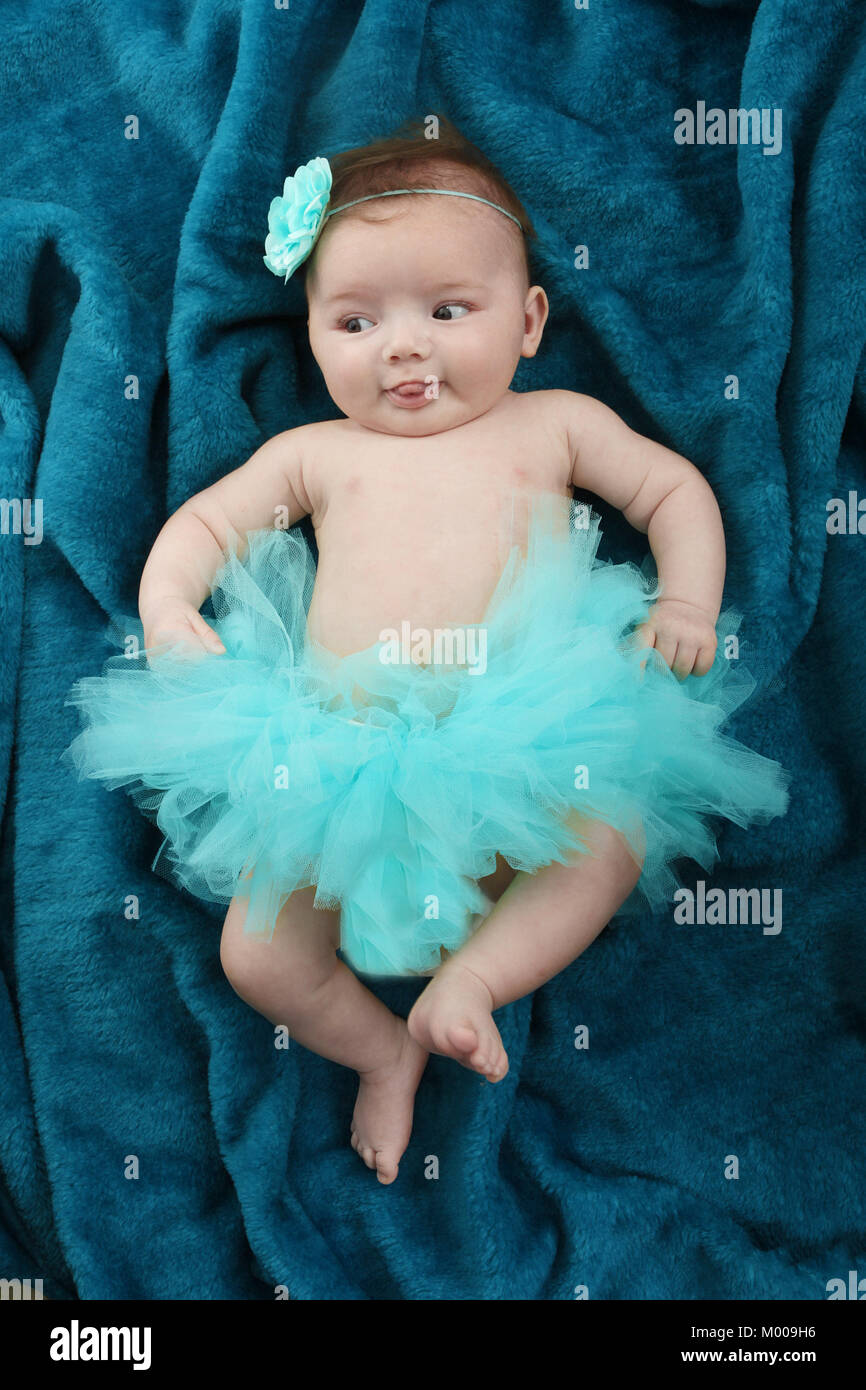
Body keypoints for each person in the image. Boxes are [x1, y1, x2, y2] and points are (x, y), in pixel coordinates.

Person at [63, 117, 789, 1185]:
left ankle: (474, 982)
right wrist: (170, 604)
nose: (403, 346)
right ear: (308, 334)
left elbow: (670, 488)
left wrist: (687, 598)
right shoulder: (315, 452)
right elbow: (210, 524)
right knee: (256, 954)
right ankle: (380, 1051)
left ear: (529, 319)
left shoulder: (553, 423)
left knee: (605, 844)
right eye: (355, 320)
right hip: (335, 761)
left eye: (448, 311)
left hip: (534, 738)